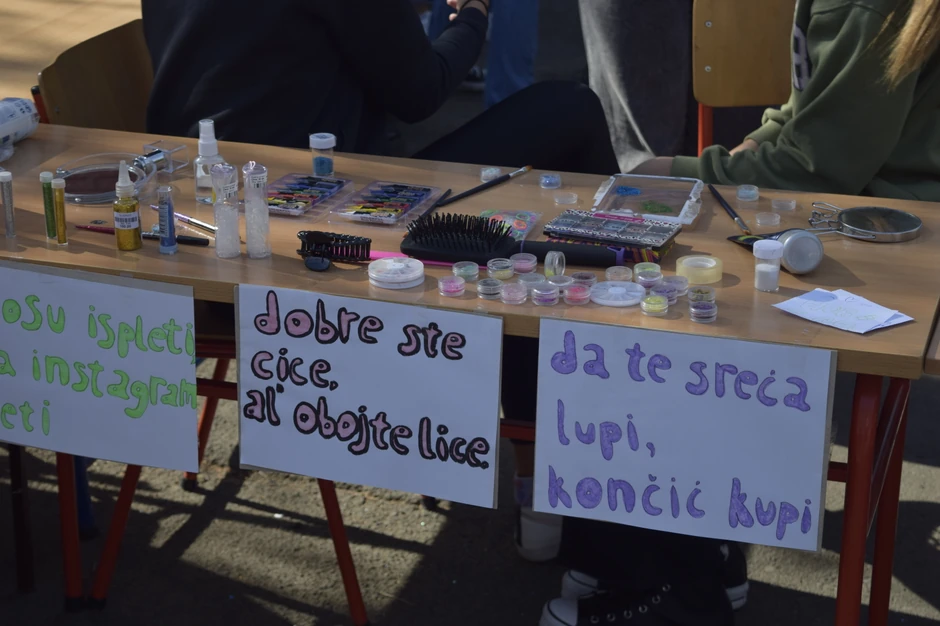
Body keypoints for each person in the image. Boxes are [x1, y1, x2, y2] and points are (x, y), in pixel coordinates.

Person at [538, 3, 940, 625]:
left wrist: (677, 173)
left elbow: (818, 163)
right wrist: (743, 151)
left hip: (883, 233)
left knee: (667, 325)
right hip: (857, 213)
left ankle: (673, 587)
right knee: (666, 303)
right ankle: (682, 554)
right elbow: (808, 111)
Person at [633, 0, 940, 202]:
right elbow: (811, 105)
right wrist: (754, 144)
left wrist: (674, 174)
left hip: (902, 220)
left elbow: (819, 171)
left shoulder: (864, 9)